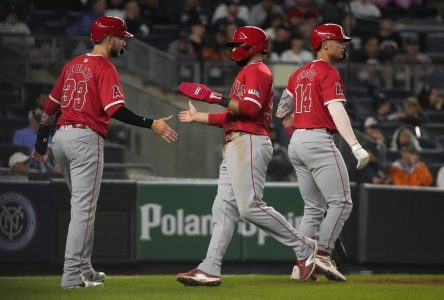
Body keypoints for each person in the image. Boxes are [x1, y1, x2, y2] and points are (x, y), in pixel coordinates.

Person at [32, 16, 178, 289]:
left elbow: (49, 108)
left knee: (81, 207)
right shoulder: (105, 67)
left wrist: (41, 142)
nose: (124, 42)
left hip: (61, 139)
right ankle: (72, 276)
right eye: (122, 38)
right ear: (109, 39)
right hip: (85, 139)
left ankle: (84, 268)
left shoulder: (73, 65)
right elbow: (115, 110)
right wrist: (152, 123)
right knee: (83, 210)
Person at [175, 26, 323, 286]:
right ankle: (209, 267)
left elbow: (250, 109)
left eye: (237, 44)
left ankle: (304, 246)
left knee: (249, 207)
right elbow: (234, 115)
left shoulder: (257, 70)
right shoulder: (250, 71)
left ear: (251, 47)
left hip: (250, 142)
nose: (233, 49)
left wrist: (213, 96)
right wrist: (200, 117)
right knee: (223, 208)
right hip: (238, 141)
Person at [276, 23, 369, 282]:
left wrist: (300, 138)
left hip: (297, 143)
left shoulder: (297, 73)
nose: (343, 45)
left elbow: (282, 113)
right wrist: (355, 145)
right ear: (325, 44)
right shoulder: (328, 71)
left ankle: (301, 265)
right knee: (341, 202)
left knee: (313, 208)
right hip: (318, 139)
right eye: (339, 41)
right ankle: (323, 255)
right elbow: (337, 111)